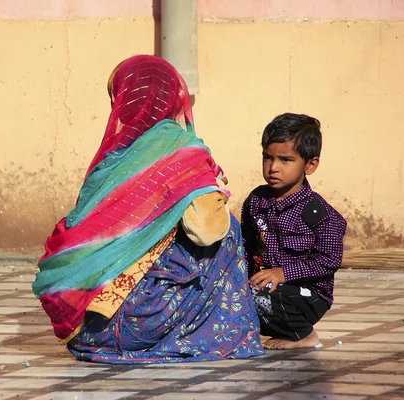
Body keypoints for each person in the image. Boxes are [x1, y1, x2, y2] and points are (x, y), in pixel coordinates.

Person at [33, 55, 264, 364]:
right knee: (228, 228)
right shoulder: (181, 150)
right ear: (172, 98)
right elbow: (206, 231)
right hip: (145, 322)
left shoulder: (112, 159)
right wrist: (211, 189)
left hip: (92, 328)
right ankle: (214, 335)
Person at [241, 113, 347, 350]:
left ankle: (304, 335)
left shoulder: (319, 213)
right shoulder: (256, 202)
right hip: (264, 287)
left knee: (263, 294)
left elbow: (328, 261)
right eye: (268, 158)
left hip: (306, 296)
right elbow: (246, 244)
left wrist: (283, 274)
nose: (273, 168)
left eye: (286, 160)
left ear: (310, 165)